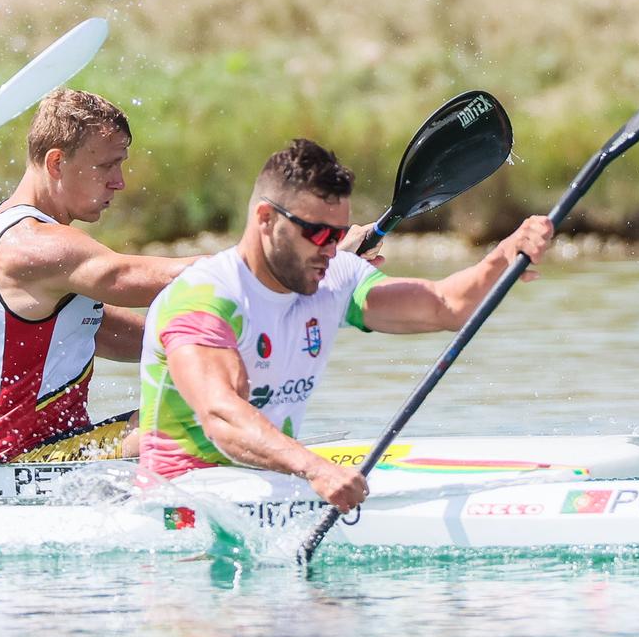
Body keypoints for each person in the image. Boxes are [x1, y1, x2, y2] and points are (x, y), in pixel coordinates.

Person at [137, 138, 550, 511]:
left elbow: (446, 305)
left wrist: (502, 258)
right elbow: (221, 418)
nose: (330, 251)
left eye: (337, 235)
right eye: (316, 234)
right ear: (265, 218)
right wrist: (316, 469)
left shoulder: (334, 277)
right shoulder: (207, 297)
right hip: (181, 502)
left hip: (270, 485)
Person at [0, 89, 199, 463]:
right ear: (56, 163)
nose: (119, 182)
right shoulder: (31, 244)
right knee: (199, 418)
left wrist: (203, 348)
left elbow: (91, 328)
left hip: (42, 450)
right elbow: (123, 276)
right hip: (23, 460)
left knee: (203, 399)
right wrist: (256, 268)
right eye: (105, 166)